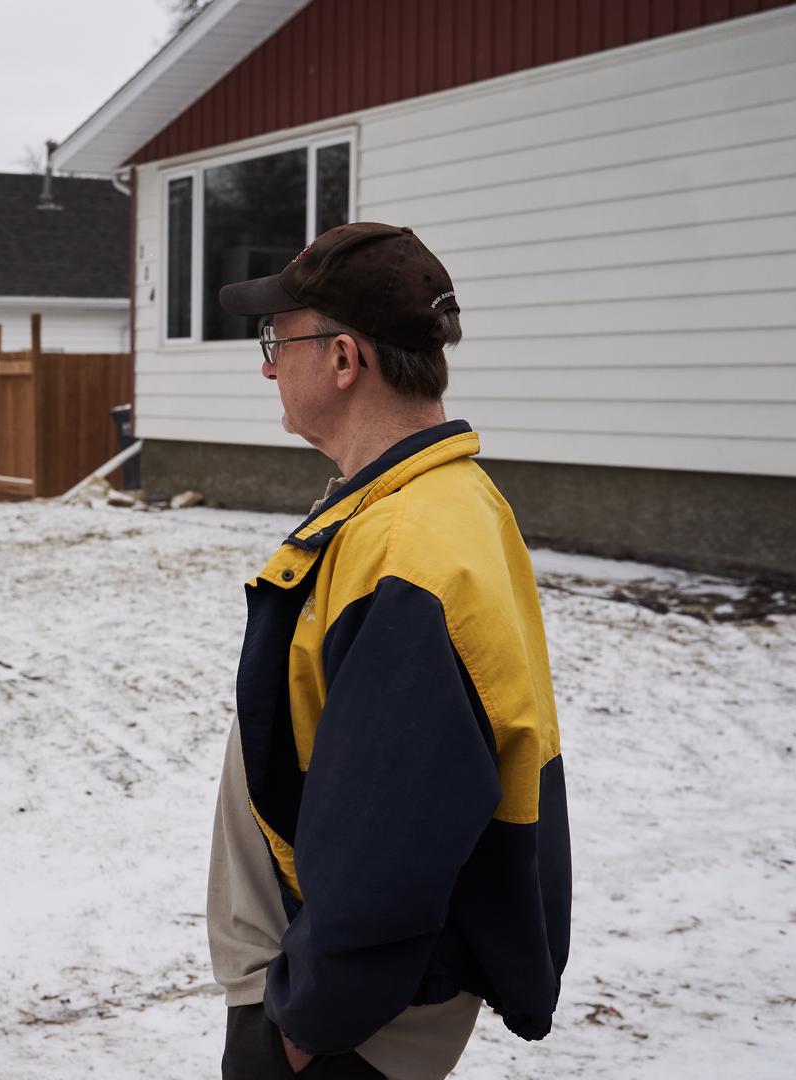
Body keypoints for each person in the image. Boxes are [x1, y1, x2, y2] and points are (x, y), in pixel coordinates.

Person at [207, 222, 571, 1080]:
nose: (266, 364)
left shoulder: (412, 544)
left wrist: (304, 1026)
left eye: (277, 339)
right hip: (346, 992)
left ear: (343, 359)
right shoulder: (432, 502)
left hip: (351, 1020)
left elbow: (396, 834)